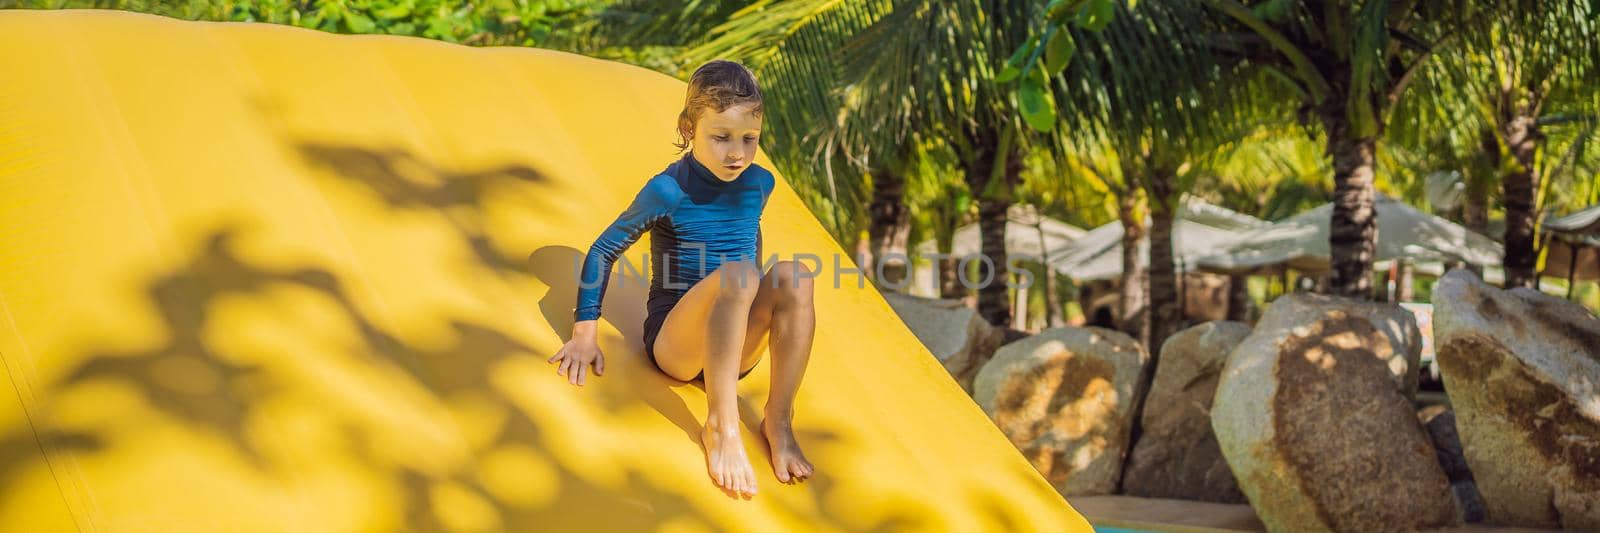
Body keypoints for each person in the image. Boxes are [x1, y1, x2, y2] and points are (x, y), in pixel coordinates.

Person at [547, 60, 816, 497]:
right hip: (678, 346)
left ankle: (779, 420)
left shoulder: (760, 182)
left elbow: (750, 232)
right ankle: (720, 426)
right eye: (721, 137)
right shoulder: (669, 190)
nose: (737, 154)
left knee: (796, 275)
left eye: (749, 139)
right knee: (738, 276)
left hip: (734, 353)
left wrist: (757, 291)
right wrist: (584, 333)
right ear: (688, 128)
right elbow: (603, 250)